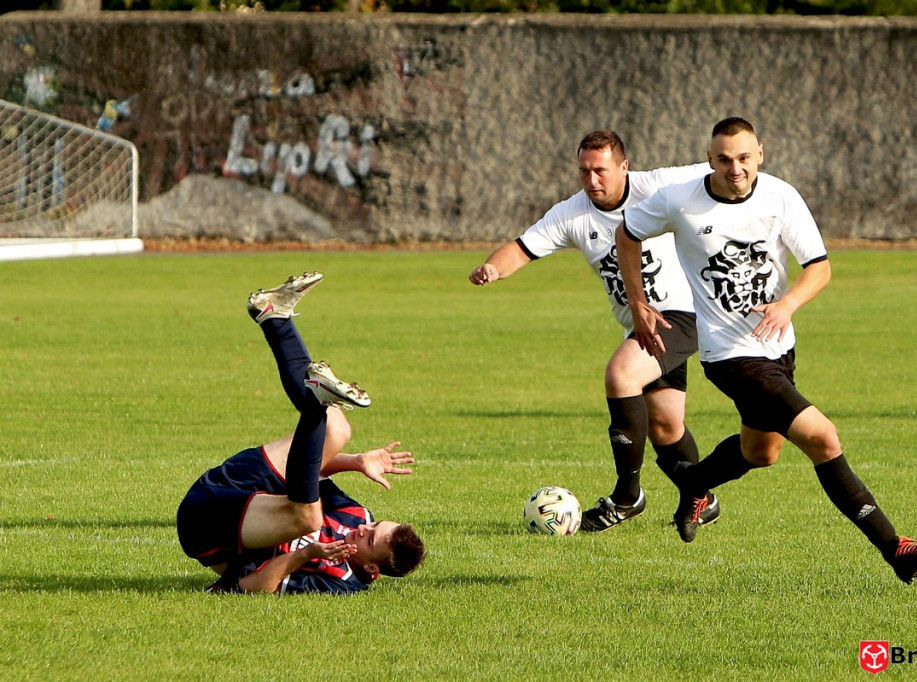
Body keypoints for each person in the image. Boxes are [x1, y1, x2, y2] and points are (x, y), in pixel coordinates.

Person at [615, 117, 917, 585]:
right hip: (729, 355)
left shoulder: (781, 196)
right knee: (823, 438)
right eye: (724, 159)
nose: (735, 168)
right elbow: (628, 234)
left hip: (779, 348)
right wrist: (638, 301)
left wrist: (787, 304)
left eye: (744, 158)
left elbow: (820, 268)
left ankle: (693, 482)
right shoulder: (678, 200)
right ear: (710, 159)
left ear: (760, 154)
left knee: (761, 452)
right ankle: (895, 547)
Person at [469, 130, 719, 533]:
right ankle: (702, 498)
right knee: (665, 426)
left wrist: (742, 164)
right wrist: (494, 267)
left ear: (624, 166)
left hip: (683, 314)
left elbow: (718, 165)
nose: (591, 180)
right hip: (639, 325)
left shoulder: (657, 186)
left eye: (600, 170)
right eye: (584, 171)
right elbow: (521, 247)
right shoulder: (572, 213)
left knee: (621, 376)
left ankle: (627, 497)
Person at [176, 272, 425, 595]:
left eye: (370, 538)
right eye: (375, 525)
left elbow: (251, 588)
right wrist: (355, 461)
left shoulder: (340, 582)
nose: (363, 527)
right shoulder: (356, 515)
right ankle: (274, 317)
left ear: (372, 568)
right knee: (337, 429)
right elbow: (306, 474)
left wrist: (304, 554)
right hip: (230, 488)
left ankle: (316, 401)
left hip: (207, 529)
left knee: (308, 518)